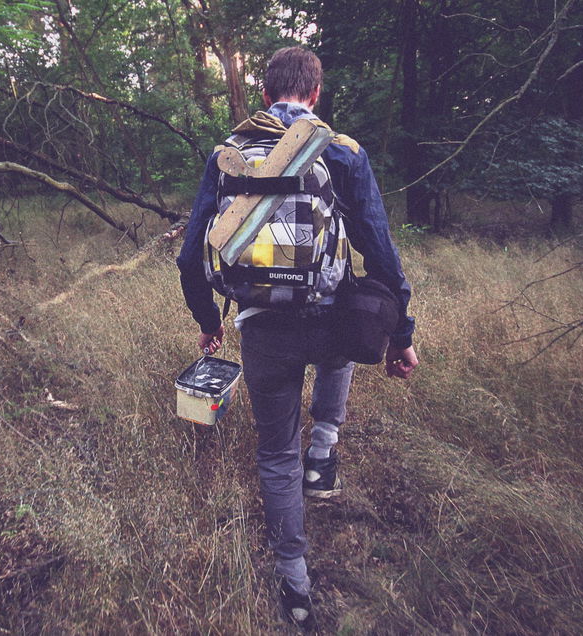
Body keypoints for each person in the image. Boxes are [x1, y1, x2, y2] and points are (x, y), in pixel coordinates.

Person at [176, 46, 419, 627]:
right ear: (315, 94)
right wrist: (401, 333)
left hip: (264, 331)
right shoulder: (342, 151)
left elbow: (190, 258)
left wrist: (209, 322)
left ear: (265, 96)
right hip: (331, 323)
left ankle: (294, 578)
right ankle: (324, 453)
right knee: (347, 337)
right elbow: (380, 251)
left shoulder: (230, 154)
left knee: (274, 452)